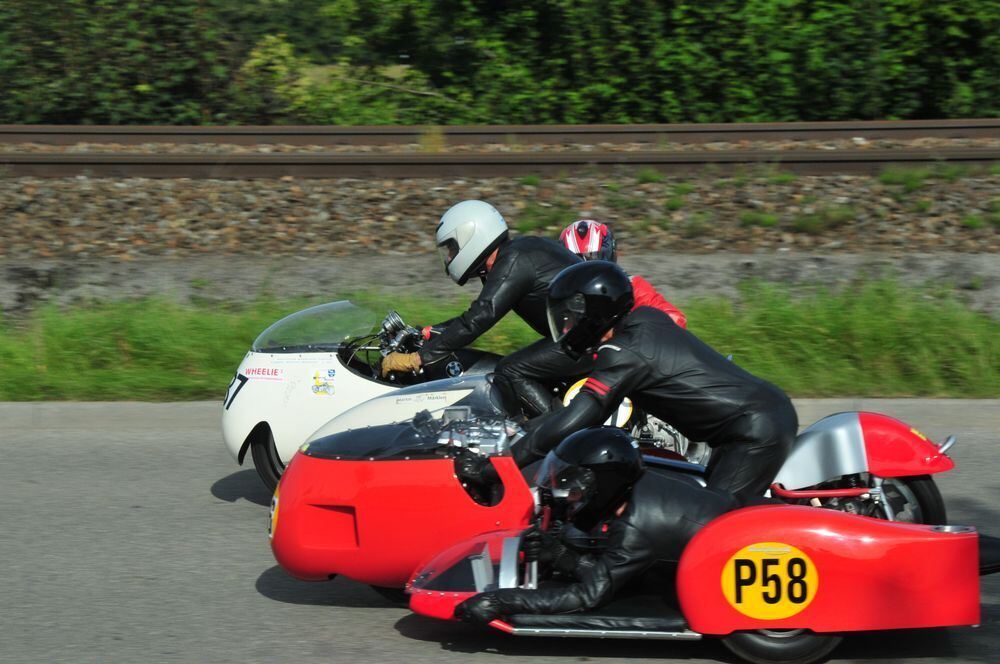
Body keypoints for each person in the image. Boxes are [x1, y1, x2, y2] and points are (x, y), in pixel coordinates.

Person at [508, 260, 797, 500]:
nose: (566, 328)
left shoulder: (624, 351)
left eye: (569, 318)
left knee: (711, 530)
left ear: (593, 313)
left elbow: (580, 415)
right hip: (751, 422)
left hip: (753, 432)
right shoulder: (642, 320)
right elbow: (573, 416)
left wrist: (507, 462)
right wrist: (523, 431)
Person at [454, 427, 742, 623]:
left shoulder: (635, 529)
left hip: (740, 552)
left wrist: (500, 602)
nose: (566, 495)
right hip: (729, 520)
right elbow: (615, 567)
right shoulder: (641, 485)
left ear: (603, 484)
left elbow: (587, 597)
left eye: (574, 489)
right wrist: (562, 557)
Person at [380, 201, 581, 398]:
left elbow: (482, 316)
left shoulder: (513, 261)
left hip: (586, 340)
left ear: (471, 236)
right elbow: (479, 314)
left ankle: (545, 429)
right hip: (581, 336)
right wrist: (430, 332)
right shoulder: (516, 252)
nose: (449, 258)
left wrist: (419, 358)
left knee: (510, 370)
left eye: (451, 249)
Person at [559, 219, 686, 328]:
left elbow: (675, 319)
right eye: (577, 261)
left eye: (594, 259)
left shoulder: (631, 286)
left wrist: (628, 330)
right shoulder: (560, 296)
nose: (588, 271)